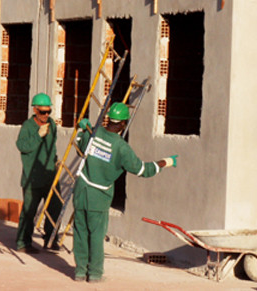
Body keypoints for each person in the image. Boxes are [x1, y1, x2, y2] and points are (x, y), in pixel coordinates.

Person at [73, 102, 178, 283]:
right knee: (96, 236)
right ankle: (95, 274)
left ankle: (80, 273)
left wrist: (82, 130)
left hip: (81, 192)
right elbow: (143, 170)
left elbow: (80, 146)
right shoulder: (121, 148)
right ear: (123, 124)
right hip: (98, 198)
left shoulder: (94, 134)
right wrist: (166, 162)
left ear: (109, 119)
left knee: (80, 233)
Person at [15, 93, 62, 254]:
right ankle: (23, 242)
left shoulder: (52, 125)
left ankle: (50, 239)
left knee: (56, 206)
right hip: (32, 178)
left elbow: (52, 147)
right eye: (42, 112)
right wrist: (38, 136)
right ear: (35, 110)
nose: (46, 115)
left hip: (50, 174)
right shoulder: (28, 126)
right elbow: (22, 146)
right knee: (29, 211)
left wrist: (55, 161)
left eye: (48, 112)